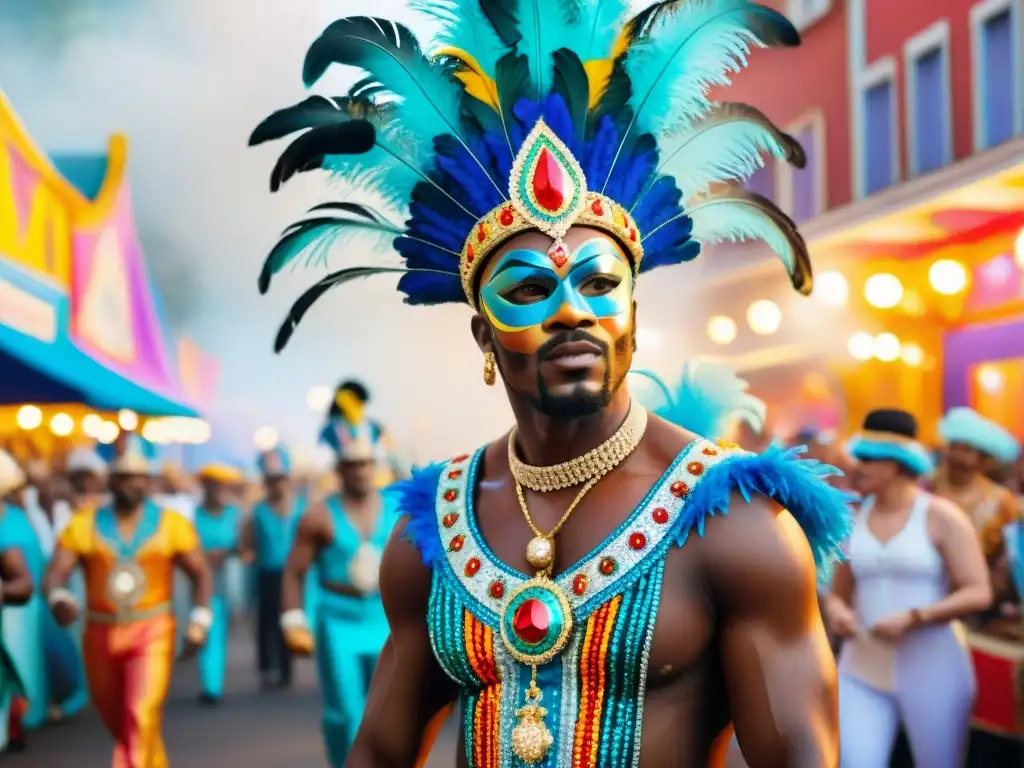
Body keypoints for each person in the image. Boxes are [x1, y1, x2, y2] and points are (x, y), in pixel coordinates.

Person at [252, 2, 854, 764]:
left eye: (600, 284)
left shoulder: (736, 526)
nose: (573, 311)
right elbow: (377, 751)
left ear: (631, 320)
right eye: (530, 291)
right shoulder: (432, 532)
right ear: (484, 335)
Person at [825, 410, 992, 767]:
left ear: (899, 463)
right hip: (861, 667)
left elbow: (979, 591)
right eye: (860, 455)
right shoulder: (852, 517)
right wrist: (836, 610)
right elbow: (838, 593)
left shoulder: (941, 515)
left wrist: (917, 616)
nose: (859, 465)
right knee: (855, 762)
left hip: (934, 668)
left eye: (870, 457)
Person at [42, 441, 213, 768]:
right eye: (123, 477)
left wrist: (200, 618)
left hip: (153, 631)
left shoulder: (171, 524)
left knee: (141, 712)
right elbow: (56, 572)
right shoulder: (85, 524)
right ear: (110, 481)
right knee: (120, 721)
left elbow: (200, 571)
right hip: (100, 634)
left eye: (137, 477)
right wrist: (57, 596)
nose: (130, 484)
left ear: (149, 481)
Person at [280, 400, 401, 766]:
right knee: (345, 713)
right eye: (353, 465)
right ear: (339, 468)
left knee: (391, 714)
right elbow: (293, 571)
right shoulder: (318, 516)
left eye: (367, 463)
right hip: (338, 619)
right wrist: (293, 619)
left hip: (385, 618)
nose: (361, 471)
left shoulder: (398, 509)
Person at [240, 445, 302, 690]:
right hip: (266, 573)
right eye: (272, 480)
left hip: (293, 574)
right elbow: (246, 541)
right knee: (266, 621)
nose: (277, 485)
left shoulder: (301, 507)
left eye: (281, 479)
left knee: (288, 619)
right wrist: (248, 553)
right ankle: (266, 667)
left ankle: (286, 669)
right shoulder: (258, 511)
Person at [932, 407, 1021, 560]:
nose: (957, 454)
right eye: (954, 445)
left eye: (967, 449)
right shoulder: (921, 488)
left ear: (984, 460)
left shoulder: (1002, 501)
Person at [193, 463, 245, 705]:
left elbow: (244, 548)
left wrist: (226, 554)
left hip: (226, 582)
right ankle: (209, 683)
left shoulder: (234, 515)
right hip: (199, 585)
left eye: (218, 485)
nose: (214, 490)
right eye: (210, 485)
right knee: (204, 627)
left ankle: (213, 683)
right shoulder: (193, 516)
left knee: (218, 630)